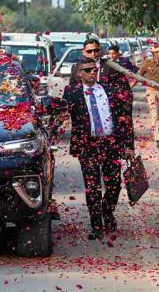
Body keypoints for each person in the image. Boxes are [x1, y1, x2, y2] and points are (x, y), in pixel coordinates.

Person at [62, 58, 133, 240]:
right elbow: (62, 114)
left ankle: (107, 213)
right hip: (88, 146)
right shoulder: (72, 92)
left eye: (94, 69)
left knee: (113, 185)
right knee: (92, 187)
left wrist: (128, 145)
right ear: (79, 74)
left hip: (111, 143)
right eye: (87, 70)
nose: (92, 72)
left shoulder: (109, 90)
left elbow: (124, 118)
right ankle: (96, 224)